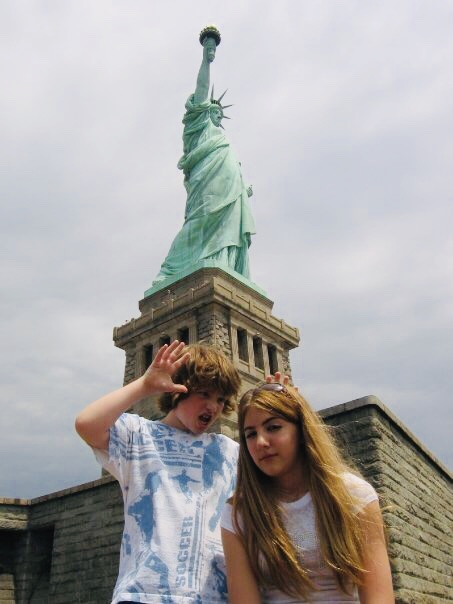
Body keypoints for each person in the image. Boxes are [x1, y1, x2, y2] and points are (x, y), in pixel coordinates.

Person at [75, 340, 241, 603]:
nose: (214, 406)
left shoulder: (229, 451)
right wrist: (144, 385)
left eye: (221, 399)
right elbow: (87, 423)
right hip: (142, 594)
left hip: (213, 597)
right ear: (178, 390)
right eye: (205, 394)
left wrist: (287, 409)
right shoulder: (139, 435)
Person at [221, 378, 394, 603]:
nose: (260, 442)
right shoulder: (239, 512)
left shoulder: (355, 495)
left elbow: (379, 597)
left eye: (273, 427)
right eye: (250, 434)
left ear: (302, 431)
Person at [153, 30, 256, 286]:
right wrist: (207, 58)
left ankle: (224, 263)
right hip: (206, 189)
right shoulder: (198, 128)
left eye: (221, 113)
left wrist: (243, 191)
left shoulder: (222, 139)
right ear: (202, 112)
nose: (218, 115)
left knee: (227, 228)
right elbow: (201, 90)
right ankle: (171, 268)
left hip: (231, 193)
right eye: (214, 110)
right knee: (199, 221)